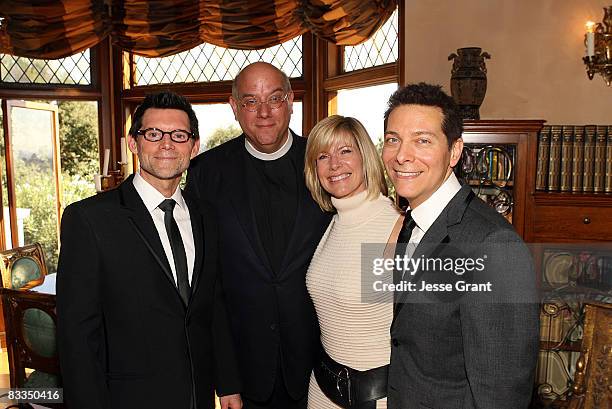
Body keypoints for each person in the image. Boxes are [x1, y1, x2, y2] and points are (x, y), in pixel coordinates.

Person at [57, 91, 242, 409]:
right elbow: (77, 337)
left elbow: (213, 307)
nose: (166, 144)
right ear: (133, 142)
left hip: (197, 397)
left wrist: (227, 384)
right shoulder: (89, 219)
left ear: (194, 147)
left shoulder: (207, 216)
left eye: (179, 135)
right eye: (153, 134)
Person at [381, 83, 539, 409]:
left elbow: (502, 392)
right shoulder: (411, 221)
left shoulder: (493, 246)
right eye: (393, 139)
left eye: (422, 140)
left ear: (454, 152)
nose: (401, 155)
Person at [185, 62, 331, 409]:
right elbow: (206, 287)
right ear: (235, 107)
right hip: (244, 372)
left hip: (320, 371)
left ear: (291, 101)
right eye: (250, 101)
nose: (264, 112)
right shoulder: (206, 173)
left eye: (274, 98)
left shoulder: (326, 164)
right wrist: (226, 379)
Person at [304, 115, 401, 409]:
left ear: (366, 157)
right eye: (323, 156)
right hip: (322, 389)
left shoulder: (396, 227)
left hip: (374, 397)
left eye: (345, 151)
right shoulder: (331, 224)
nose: (334, 164)